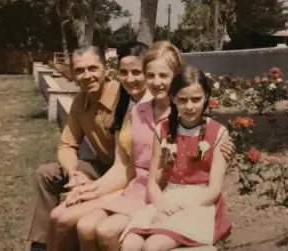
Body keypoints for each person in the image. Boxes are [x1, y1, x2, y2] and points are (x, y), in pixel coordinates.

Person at [74, 42, 235, 251]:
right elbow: (134, 168)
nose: (189, 105)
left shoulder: (195, 120)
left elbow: (211, 178)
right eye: (150, 76)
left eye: (163, 76)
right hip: (154, 193)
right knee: (102, 233)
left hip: (189, 200)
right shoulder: (150, 120)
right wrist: (93, 190)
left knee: (138, 242)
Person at [46, 41, 152, 251]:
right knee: (58, 213)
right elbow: (122, 166)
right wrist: (81, 181)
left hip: (143, 187)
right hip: (119, 176)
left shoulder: (148, 105)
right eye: (124, 72)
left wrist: (91, 192)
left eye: (137, 72)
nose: (130, 79)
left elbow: (131, 169)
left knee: (76, 222)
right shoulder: (130, 109)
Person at [120, 65, 233, 251]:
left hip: (200, 202)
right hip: (169, 197)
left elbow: (214, 189)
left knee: (152, 246)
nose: (189, 106)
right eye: (182, 100)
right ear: (172, 98)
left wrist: (182, 209)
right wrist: (161, 204)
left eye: (196, 99)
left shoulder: (218, 132)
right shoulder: (163, 130)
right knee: (130, 244)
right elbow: (152, 181)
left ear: (206, 96)